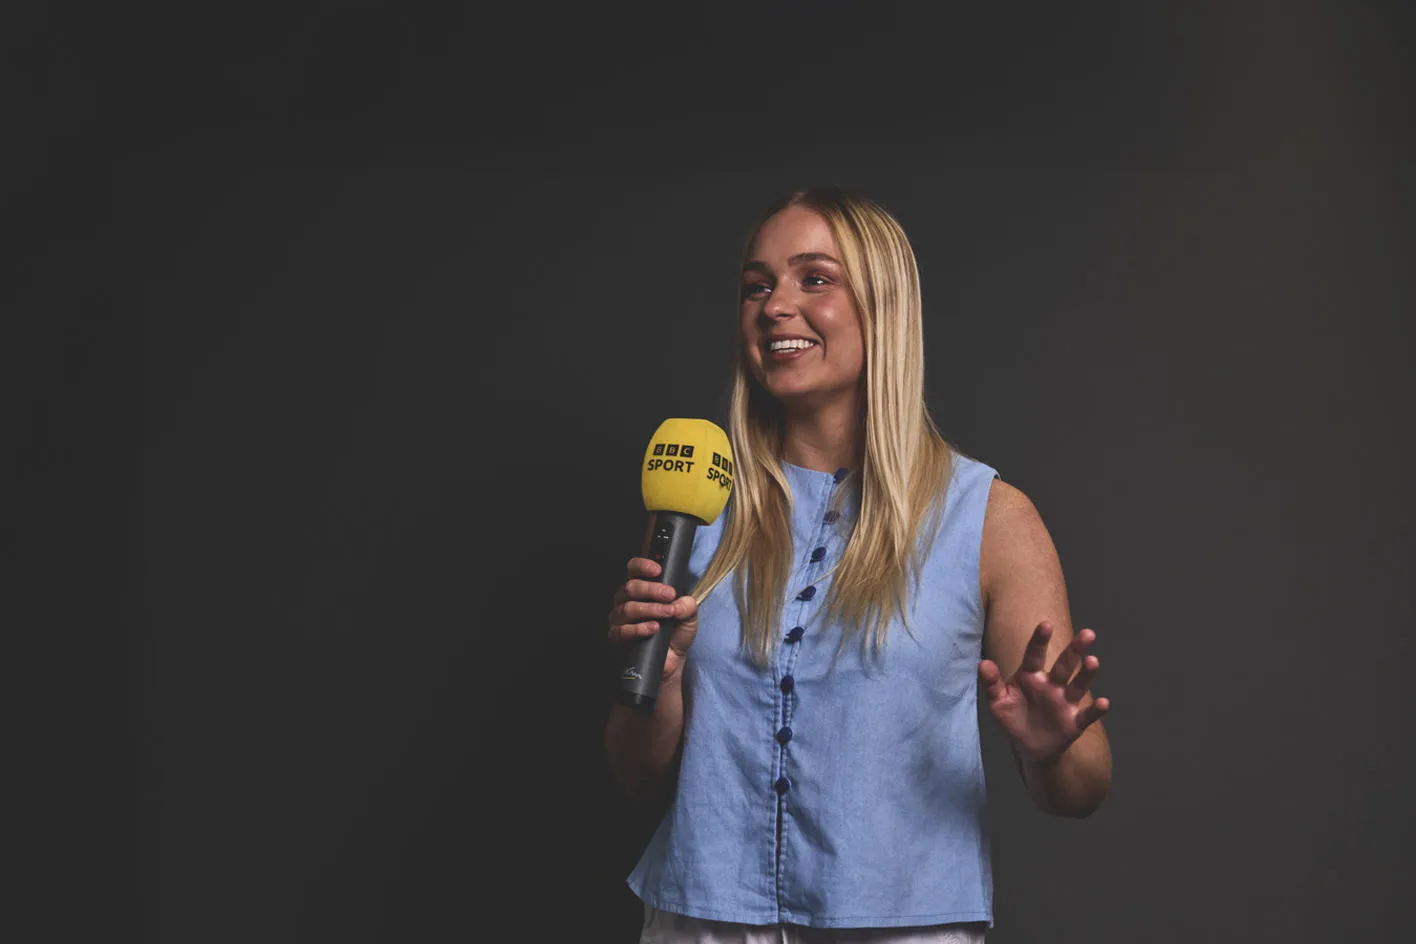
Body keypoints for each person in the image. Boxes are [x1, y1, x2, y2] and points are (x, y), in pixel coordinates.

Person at [604, 187, 1112, 943]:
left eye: (814, 278)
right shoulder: (697, 500)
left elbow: (1082, 789)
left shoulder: (991, 520)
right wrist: (663, 679)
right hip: (700, 924)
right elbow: (634, 770)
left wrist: (1051, 749)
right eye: (757, 285)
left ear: (885, 305)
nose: (775, 305)